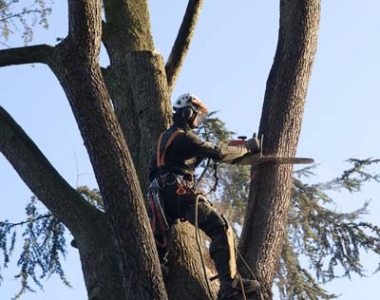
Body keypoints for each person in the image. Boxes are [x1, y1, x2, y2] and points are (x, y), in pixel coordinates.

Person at [148, 93, 261, 299]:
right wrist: (247, 148)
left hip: (160, 200)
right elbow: (216, 153)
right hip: (178, 193)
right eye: (196, 116)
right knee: (219, 227)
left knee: (160, 254)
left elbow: (186, 162)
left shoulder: (165, 140)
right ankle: (230, 286)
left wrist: (229, 148)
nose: (197, 122)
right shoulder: (184, 136)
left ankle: (158, 274)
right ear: (188, 112)